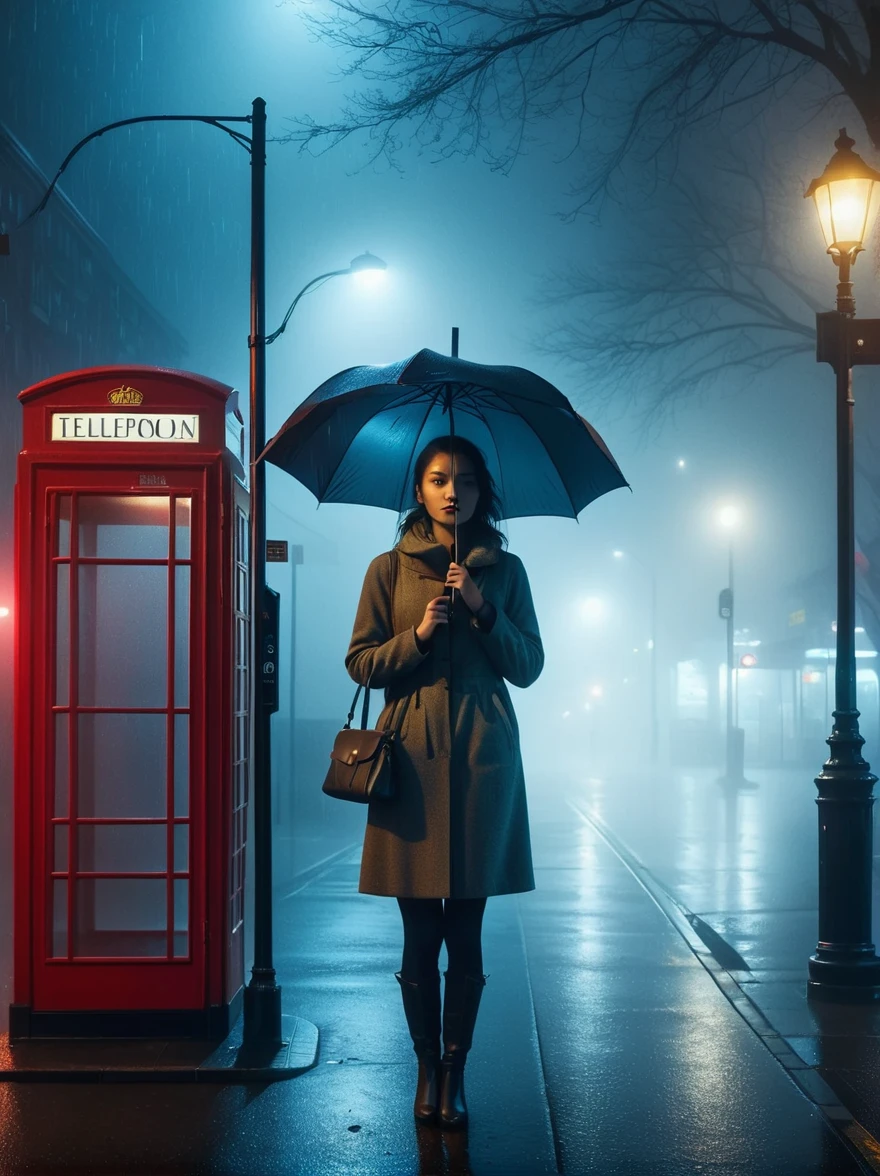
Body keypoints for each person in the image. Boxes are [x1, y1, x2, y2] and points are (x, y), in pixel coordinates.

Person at [345, 435, 544, 1128]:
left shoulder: (507, 572)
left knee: (467, 926)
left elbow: (529, 666)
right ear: (420, 491)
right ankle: (425, 1070)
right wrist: (422, 634)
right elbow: (362, 664)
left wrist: (484, 609)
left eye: (464, 480)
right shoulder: (386, 570)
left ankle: (455, 1076)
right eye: (437, 479)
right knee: (417, 931)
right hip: (409, 761)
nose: (452, 491)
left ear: (484, 492)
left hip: (484, 759)